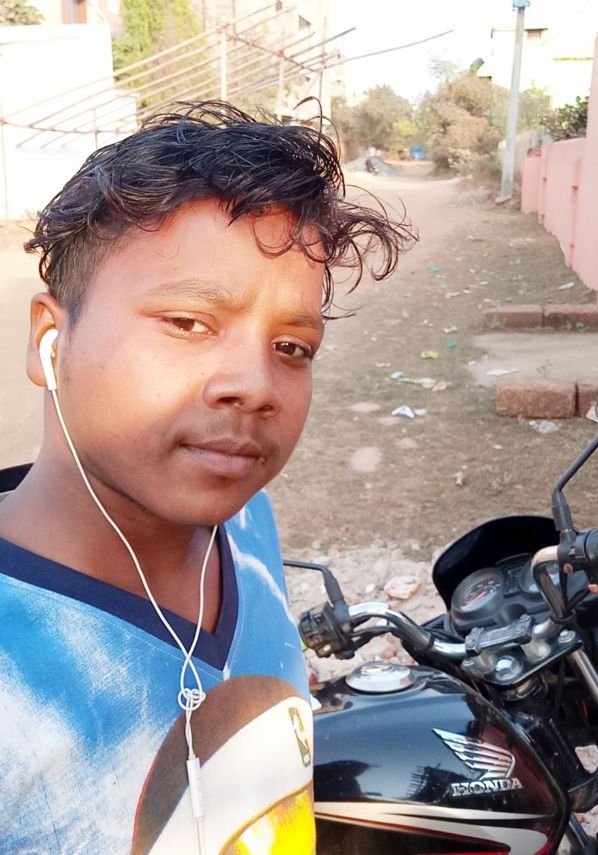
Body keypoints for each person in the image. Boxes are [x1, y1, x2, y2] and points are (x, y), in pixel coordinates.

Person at [0, 101, 413, 853]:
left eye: (291, 347)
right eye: (189, 323)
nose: (254, 385)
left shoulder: (246, 524)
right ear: (50, 341)